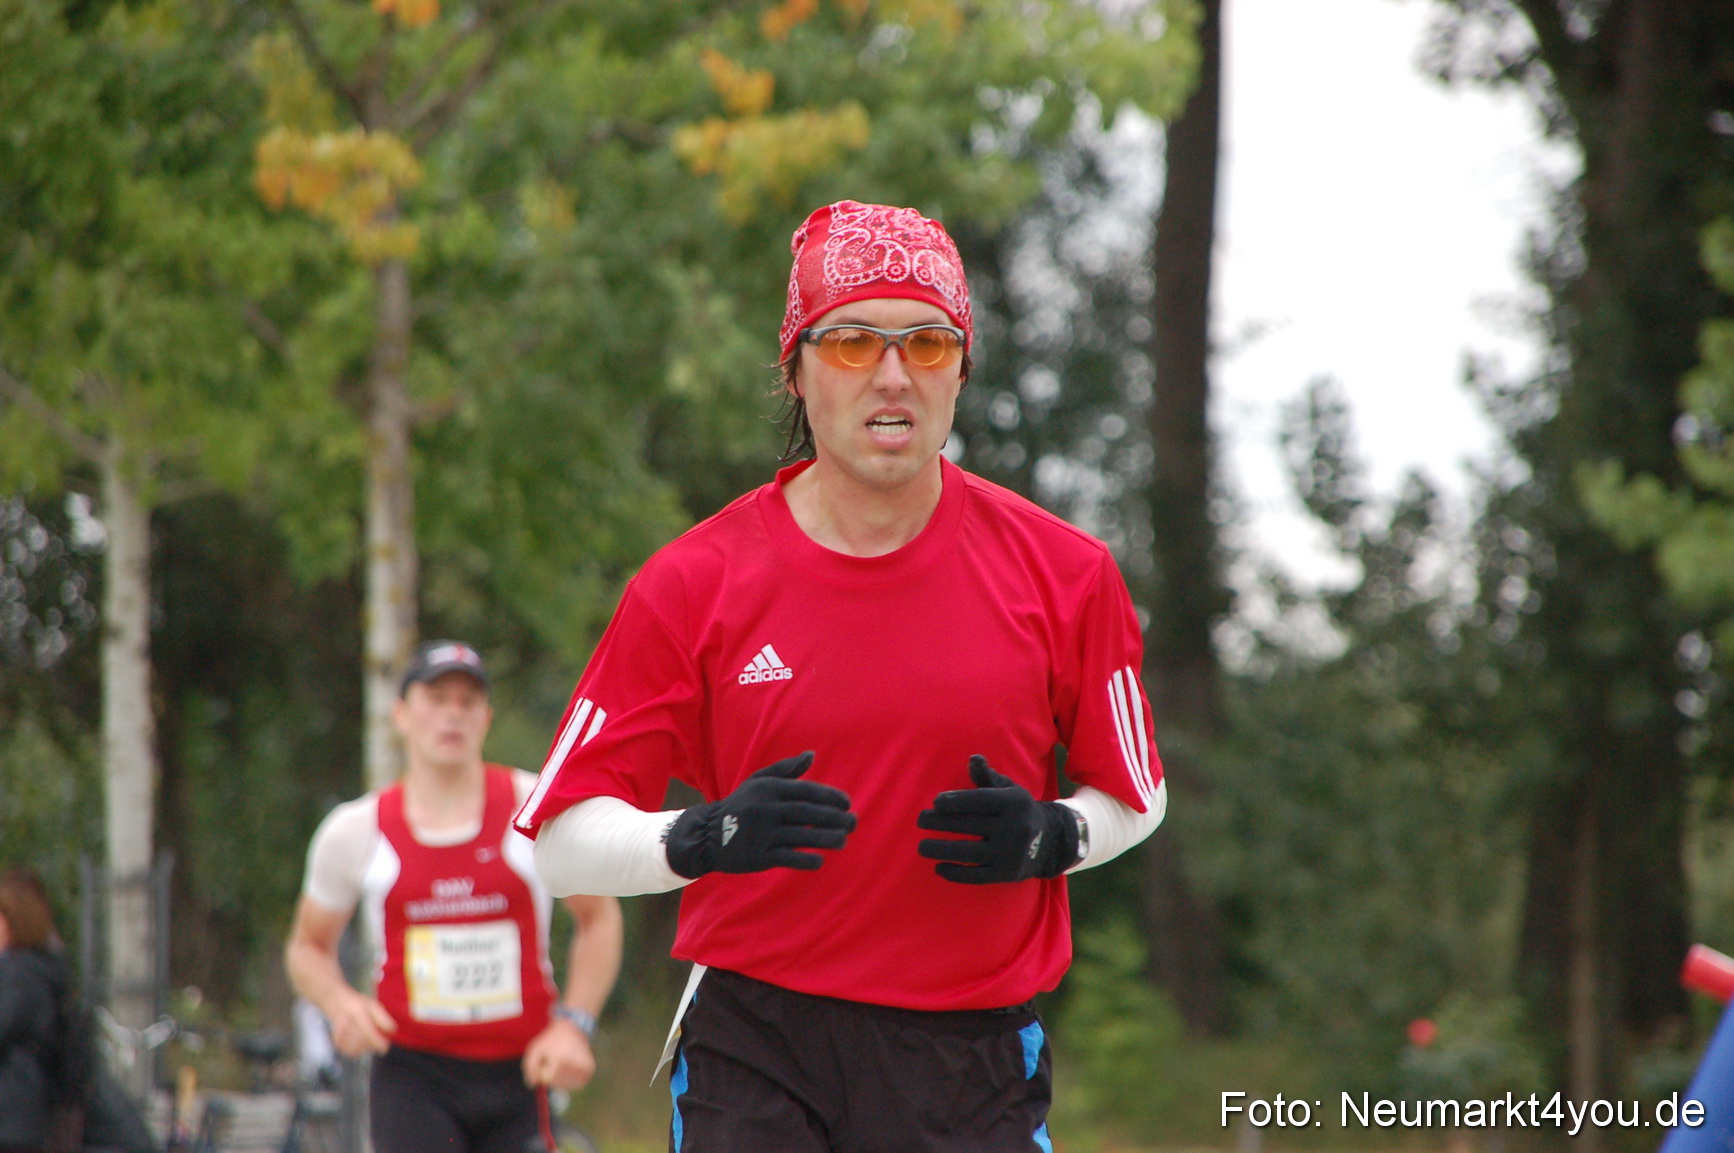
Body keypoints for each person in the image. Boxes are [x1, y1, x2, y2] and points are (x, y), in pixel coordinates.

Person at [515, 200, 1168, 1152]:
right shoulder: (691, 583)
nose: (893, 375)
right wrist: (699, 835)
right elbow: (560, 841)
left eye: (929, 343)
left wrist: (1054, 833)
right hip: (757, 1045)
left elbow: (1137, 795)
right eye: (854, 342)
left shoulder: (1066, 573)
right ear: (796, 368)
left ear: (962, 369)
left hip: (972, 1056)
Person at [286, 641, 623, 1153]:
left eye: (468, 702)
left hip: (523, 1070)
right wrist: (340, 1003)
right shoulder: (354, 831)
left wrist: (574, 1025)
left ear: (486, 718)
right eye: (437, 698)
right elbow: (308, 946)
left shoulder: (535, 809)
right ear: (401, 715)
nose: (453, 714)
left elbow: (599, 919)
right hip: (412, 1073)